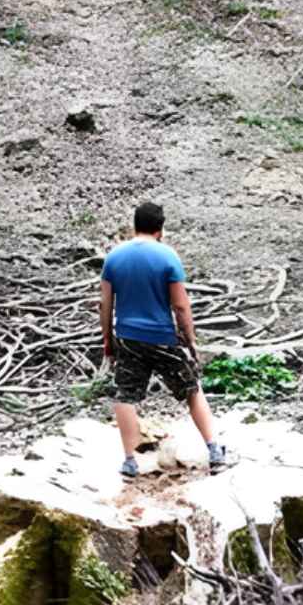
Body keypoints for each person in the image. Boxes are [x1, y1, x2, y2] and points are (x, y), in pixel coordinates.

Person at [99, 202, 226, 477]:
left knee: (125, 395)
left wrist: (108, 340)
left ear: (135, 225)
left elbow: (106, 305)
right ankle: (214, 449)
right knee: (192, 389)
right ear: (161, 228)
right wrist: (190, 340)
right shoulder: (168, 257)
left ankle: (130, 460)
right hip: (163, 337)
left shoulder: (114, 258)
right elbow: (180, 306)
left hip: (128, 337)